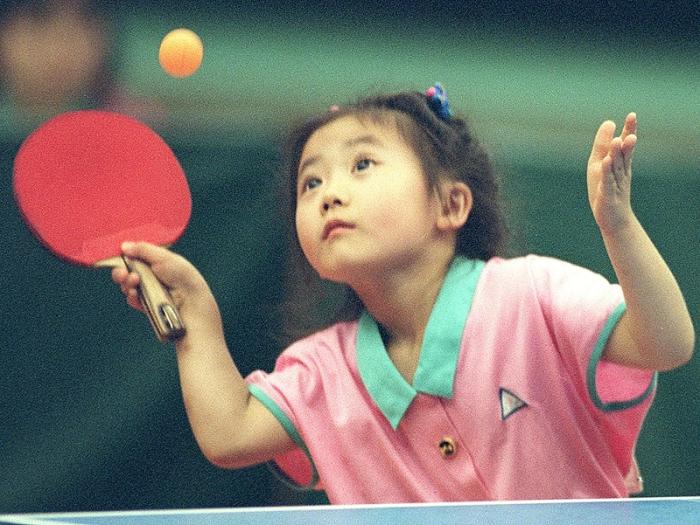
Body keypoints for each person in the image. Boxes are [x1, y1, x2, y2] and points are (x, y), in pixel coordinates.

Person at [112, 84, 694, 503]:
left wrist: (618, 225)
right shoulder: (323, 372)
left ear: (450, 205)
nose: (329, 194)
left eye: (362, 164)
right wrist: (196, 320)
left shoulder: (534, 295)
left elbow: (667, 342)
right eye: (310, 182)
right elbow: (229, 433)